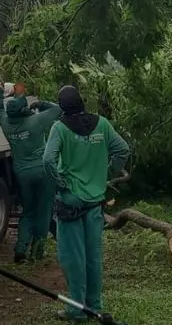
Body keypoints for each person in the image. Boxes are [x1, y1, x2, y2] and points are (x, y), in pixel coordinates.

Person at [43, 85, 129, 322]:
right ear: (82, 101)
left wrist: (60, 183)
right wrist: (106, 174)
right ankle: (95, 305)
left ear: (62, 106)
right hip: (95, 202)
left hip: (70, 200)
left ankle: (76, 310)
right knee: (93, 256)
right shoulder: (102, 124)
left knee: (73, 258)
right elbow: (123, 150)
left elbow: (48, 160)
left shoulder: (60, 127)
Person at [0, 84, 62, 263]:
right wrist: (41, 103)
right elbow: (58, 110)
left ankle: (21, 249)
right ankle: (37, 251)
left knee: (28, 211)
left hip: (22, 174)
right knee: (44, 211)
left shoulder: (6, 124)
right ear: (23, 110)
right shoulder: (35, 121)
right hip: (43, 172)